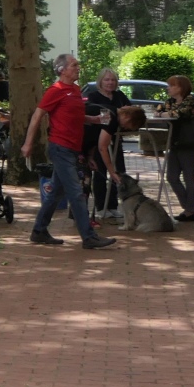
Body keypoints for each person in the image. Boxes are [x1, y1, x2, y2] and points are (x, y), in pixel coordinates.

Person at [22, 54, 115, 250]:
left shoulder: (74, 90)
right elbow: (37, 116)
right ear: (62, 70)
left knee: (56, 193)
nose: (78, 68)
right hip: (60, 147)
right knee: (76, 192)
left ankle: (39, 231)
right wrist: (28, 144)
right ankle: (89, 236)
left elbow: (76, 116)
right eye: (74, 65)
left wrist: (94, 120)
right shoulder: (55, 90)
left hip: (72, 148)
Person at [162, 75, 194, 223]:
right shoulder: (170, 102)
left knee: (188, 175)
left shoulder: (190, 100)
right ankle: (187, 206)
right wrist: (164, 113)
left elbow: (178, 114)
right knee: (171, 176)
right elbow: (159, 111)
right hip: (175, 142)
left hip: (189, 143)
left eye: (172, 85)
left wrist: (165, 114)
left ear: (180, 88)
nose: (168, 88)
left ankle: (190, 210)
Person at [81, 69, 127, 219]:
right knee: (101, 172)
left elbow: (129, 111)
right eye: (107, 80)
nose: (110, 83)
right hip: (98, 140)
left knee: (118, 170)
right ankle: (101, 206)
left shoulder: (120, 96)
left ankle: (113, 205)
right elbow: (95, 113)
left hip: (116, 139)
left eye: (113, 80)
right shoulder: (93, 96)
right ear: (100, 81)